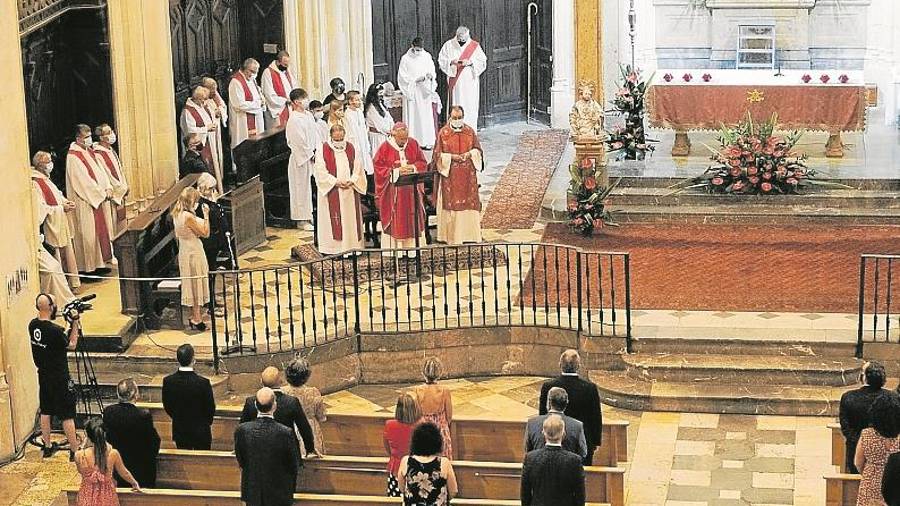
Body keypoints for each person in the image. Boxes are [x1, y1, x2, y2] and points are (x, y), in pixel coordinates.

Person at [29, 293, 80, 459]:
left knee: (46, 410)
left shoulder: (33, 325)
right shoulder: (54, 331)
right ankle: (75, 450)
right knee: (67, 413)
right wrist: (75, 323)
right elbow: (71, 345)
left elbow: (52, 339)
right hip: (59, 377)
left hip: (43, 375)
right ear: (51, 307)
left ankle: (48, 446)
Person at [234, 387, 300, 506]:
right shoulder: (286, 432)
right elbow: (293, 464)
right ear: (274, 406)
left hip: (252, 490)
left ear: (255, 405)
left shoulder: (242, 430)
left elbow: (241, 460)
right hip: (279, 491)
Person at [372, 122, 429, 252]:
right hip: (394, 193)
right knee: (398, 220)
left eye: (406, 138)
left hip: (412, 191)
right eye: (401, 139)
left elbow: (422, 162)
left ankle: (412, 250)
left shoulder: (413, 143)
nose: (404, 142)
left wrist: (413, 167)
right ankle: (396, 251)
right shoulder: (385, 148)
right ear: (394, 135)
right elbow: (379, 168)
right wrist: (395, 171)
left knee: (412, 218)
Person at [539, 349, 602, 465]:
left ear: (560, 365)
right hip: (582, 442)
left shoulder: (548, 386)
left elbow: (543, 415)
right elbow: (596, 418)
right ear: (578, 366)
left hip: (553, 439)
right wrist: (594, 442)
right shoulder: (589, 388)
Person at [66, 123, 114, 275]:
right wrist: (100, 193)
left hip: (97, 199)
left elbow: (100, 171)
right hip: (86, 201)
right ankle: (88, 269)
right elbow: (82, 181)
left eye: (90, 136)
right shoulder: (73, 156)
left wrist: (107, 187)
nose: (89, 139)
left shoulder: (88, 151)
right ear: (78, 138)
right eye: (86, 137)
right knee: (88, 235)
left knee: (97, 234)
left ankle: (99, 264)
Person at [239, 366, 316, 457]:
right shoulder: (291, 402)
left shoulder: (250, 402)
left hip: (257, 453)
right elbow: (304, 427)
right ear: (281, 381)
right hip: (285, 454)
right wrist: (310, 449)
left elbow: (242, 427)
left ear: (261, 381)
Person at [433, 105, 483, 244]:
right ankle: (452, 237)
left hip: (467, 175)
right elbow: (437, 155)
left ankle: (471, 235)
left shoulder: (469, 132)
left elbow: (478, 150)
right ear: (450, 117)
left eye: (459, 118)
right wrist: (451, 157)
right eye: (454, 118)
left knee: (469, 203)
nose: (457, 120)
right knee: (452, 205)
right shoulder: (443, 133)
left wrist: (470, 154)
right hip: (450, 175)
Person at [31, 151, 80, 292]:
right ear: (40, 165)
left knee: (67, 253)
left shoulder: (45, 179)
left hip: (60, 221)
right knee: (57, 257)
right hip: (50, 226)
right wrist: (60, 208)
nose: (50, 164)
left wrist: (65, 202)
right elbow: (40, 208)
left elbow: (57, 195)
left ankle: (70, 283)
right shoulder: (35, 183)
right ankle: (62, 288)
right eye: (47, 162)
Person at [314, 124, 366, 255]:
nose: (338, 136)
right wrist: (335, 182)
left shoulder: (351, 147)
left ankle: (353, 248)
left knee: (350, 221)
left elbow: (358, 166)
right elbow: (320, 170)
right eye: (335, 133)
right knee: (334, 220)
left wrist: (352, 180)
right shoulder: (323, 149)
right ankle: (334, 250)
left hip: (349, 190)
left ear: (344, 134)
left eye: (341, 133)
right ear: (331, 135)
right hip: (332, 190)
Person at [102, 378, 160, 488]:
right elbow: (154, 442)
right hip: (141, 469)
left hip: (116, 468)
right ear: (135, 395)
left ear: (118, 395)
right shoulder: (143, 416)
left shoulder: (108, 412)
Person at [520, 415, 586, 506]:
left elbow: (525, 493)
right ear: (563, 433)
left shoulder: (531, 458)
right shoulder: (574, 461)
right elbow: (580, 496)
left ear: (543, 433)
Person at [162, 343, 216, 450]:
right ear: (193, 360)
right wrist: (205, 423)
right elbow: (210, 408)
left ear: (178, 360)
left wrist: (178, 418)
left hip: (180, 430)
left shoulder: (168, 382)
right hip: (201, 432)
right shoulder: (203, 383)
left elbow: (168, 406)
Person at [75, 418, 141, 506]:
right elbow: (124, 473)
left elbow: (80, 471)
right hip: (107, 497)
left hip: (86, 496)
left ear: (88, 436)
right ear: (104, 434)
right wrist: (134, 483)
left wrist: (84, 445)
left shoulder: (79, 455)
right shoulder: (113, 454)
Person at [841, 361, 891, 473]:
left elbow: (845, 427)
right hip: (884, 451)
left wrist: (860, 442)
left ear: (863, 378)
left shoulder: (848, 397)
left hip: (854, 450)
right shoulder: (892, 398)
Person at [171, 187, 210, 329]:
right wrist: (206, 215)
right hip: (194, 251)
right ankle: (197, 317)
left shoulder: (177, 214)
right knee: (196, 282)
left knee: (192, 282)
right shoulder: (188, 217)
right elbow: (205, 233)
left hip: (184, 250)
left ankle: (194, 314)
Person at [854, 392, 900, 506]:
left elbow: (858, 463)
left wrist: (871, 471)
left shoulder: (867, 434)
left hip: (870, 481)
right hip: (895, 483)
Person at [437, 26, 487, 131]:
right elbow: (441, 60)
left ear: (468, 35)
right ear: (457, 36)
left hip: (470, 83)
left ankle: (470, 130)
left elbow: (482, 62)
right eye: (460, 39)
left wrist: (470, 62)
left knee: (470, 106)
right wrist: (451, 61)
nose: (462, 41)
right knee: (456, 103)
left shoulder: (474, 46)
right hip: (456, 83)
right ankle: (454, 129)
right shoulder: (449, 45)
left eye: (464, 39)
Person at [398, 422, 458, 506]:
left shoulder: (406, 461)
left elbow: (401, 488)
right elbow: (453, 491)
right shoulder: (444, 462)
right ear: (437, 442)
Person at [398, 37, 440, 149]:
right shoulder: (405, 59)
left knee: (425, 117)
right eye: (416, 50)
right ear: (412, 46)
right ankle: (413, 141)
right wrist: (415, 80)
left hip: (424, 92)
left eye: (420, 50)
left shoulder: (426, 56)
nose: (418, 52)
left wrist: (430, 77)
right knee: (414, 117)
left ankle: (427, 141)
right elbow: (402, 77)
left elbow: (432, 71)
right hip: (413, 91)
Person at [525, 387, 588, 460]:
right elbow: (583, 453)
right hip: (567, 469)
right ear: (566, 402)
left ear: (549, 402)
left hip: (539, 468)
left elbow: (527, 450)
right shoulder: (577, 425)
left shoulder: (532, 423)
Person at [285, 88, 316, 231]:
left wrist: (316, 150)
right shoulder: (294, 119)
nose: (307, 101)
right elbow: (298, 141)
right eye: (305, 99)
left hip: (311, 155)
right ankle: (301, 219)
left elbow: (313, 134)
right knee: (300, 188)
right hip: (300, 158)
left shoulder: (308, 115)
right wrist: (310, 154)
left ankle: (310, 214)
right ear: (297, 102)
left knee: (310, 188)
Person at [282, 358, 327, 457]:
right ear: (306, 376)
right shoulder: (313, 392)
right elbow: (321, 416)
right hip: (310, 429)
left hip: (287, 428)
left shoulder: (282, 392)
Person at [412, 357, 453, 458]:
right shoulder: (445, 391)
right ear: (439, 372)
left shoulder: (417, 390)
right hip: (440, 431)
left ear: (424, 372)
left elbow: (416, 413)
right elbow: (449, 417)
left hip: (423, 430)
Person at [92, 124, 129, 233]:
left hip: (120, 191)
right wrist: (120, 189)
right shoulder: (98, 154)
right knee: (113, 226)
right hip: (112, 195)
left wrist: (125, 185)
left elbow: (119, 170)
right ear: (101, 137)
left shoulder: (111, 150)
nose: (112, 134)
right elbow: (106, 176)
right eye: (108, 133)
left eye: (111, 131)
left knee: (121, 225)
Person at [383, 393, 421, 497]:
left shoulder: (389, 425)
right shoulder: (421, 426)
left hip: (397, 468)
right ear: (415, 408)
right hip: (419, 470)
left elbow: (388, 448)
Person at [196, 173, 235, 271]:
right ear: (202, 188)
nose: (213, 191)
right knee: (210, 266)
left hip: (216, 237)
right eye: (210, 188)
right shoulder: (201, 202)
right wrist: (215, 203)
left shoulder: (209, 200)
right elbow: (215, 217)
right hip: (209, 240)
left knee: (212, 264)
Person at [180, 86, 218, 179]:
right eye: (202, 100)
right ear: (196, 98)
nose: (204, 103)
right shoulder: (187, 111)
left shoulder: (201, 106)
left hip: (208, 142)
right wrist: (206, 128)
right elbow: (190, 130)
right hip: (196, 145)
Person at [228, 58, 265, 151]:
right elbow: (239, 105)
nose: (253, 74)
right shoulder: (236, 82)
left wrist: (262, 100)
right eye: (252, 71)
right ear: (245, 68)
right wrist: (258, 104)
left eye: (256, 72)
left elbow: (258, 93)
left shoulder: (252, 79)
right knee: (244, 148)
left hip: (256, 118)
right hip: (242, 120)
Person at [201, 77, 227, 189]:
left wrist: (219, 111)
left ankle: (220, 183)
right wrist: (214, 113)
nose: (214, 92)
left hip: (216, 132)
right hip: (208, 136)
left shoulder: (214, 95)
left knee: (218, 159)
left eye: (215, 89)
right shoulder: (201, 98)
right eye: (212, 90)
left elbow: (222, 106)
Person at [260, 50, 295, 128]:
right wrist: (285, 100)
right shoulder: (268, 72)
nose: (286, 67)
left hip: (289, 108)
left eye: (288, 64)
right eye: (285, 64)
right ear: (278, 62)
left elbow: (294, 86)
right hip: (278, 111)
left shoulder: (287, 72)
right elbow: (268, 94)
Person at [344, 90, 373, 175]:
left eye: (360, 99)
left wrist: (366, 144)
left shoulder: (359, 112)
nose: (360, 102)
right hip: (355, 145)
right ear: (350, 101)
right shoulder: (347, 114)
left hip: (363, 144)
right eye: (357, 100)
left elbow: (363, 129)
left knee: (367, 169)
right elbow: (349, 133)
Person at [365, 82, 394, 158]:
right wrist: (389, 130)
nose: (381, 95)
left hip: (385, 135)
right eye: (379, 93)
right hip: (377, 136)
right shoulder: (371, 108)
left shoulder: (380, 104)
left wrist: (392, 127)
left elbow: (389, 117)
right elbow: (379, 124)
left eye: (382, 93)